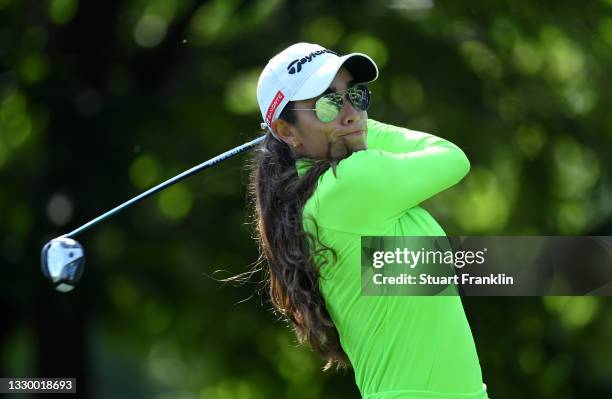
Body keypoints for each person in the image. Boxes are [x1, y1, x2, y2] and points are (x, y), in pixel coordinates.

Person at [249, 42, 489, 399]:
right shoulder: (352, 183)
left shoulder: (321, 197)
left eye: (356, 96)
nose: (350, 113)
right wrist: (362, 127)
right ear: (286, 131)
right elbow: (452, 158)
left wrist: (347, 125)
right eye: (328, 103)